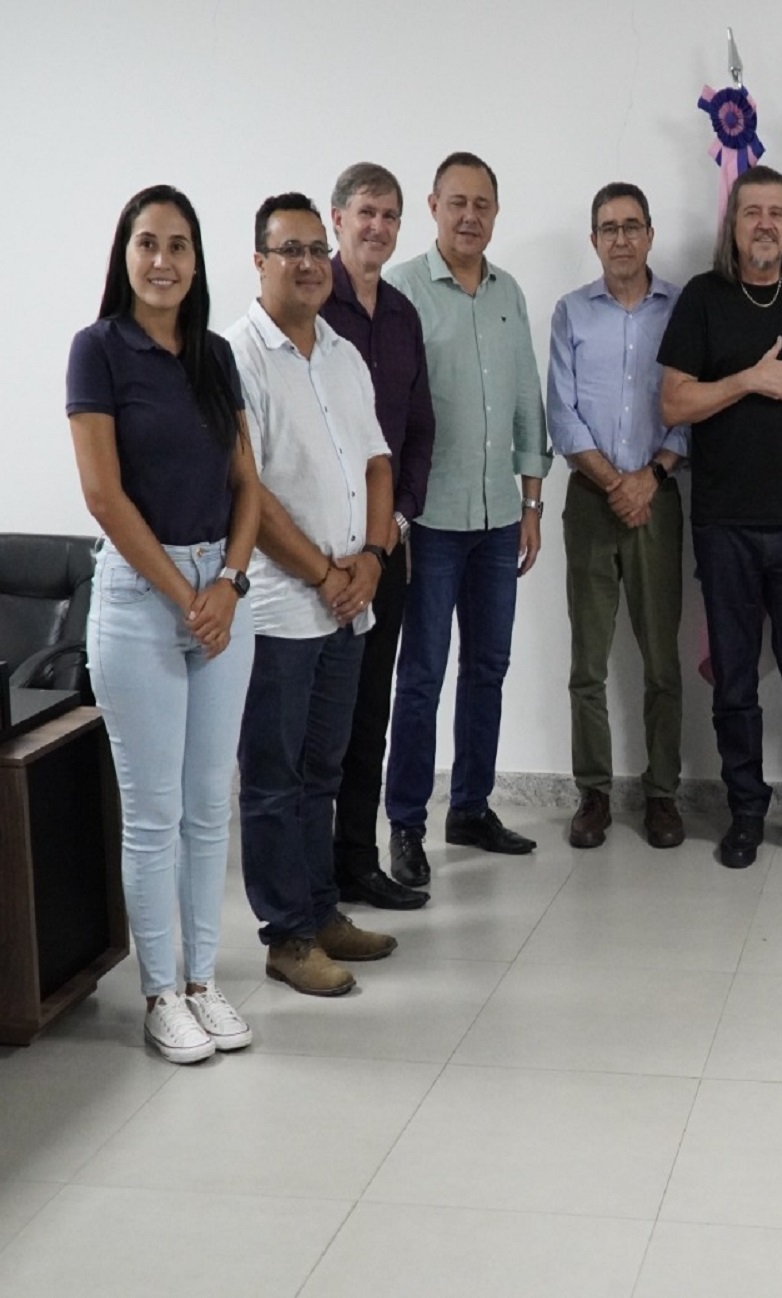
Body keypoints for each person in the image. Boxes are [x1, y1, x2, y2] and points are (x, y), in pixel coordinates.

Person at [67, 184, 262, 1063]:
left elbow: (247, 484)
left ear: (196, 261)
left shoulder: (213, 355)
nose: (163, 260)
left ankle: (203, 981)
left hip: (219, 591)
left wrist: (228, 582)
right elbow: (103, 496)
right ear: (125, 254)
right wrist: (187, 594)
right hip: (141, 600)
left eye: (179, 245)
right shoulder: (97, 350)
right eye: (148, 243)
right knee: (153, 815)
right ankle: (159, 994)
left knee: (209, 807)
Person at [228, 192, 401, 996]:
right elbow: (249, 494)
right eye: (288, 250)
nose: (307, 264)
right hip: (280, 608)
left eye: (314, 250)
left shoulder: (341, 353)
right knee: (275, 778)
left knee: (324, 768)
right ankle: (288, 938)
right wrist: (326, 574)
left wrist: (372, 557)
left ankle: (322, 910)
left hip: (348, 600)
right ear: (258, 261)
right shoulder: (238, 358)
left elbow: (376, 462)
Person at [657, 165, 782, 873]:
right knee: (736, 685)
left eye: (776, 212)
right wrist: (747, 380)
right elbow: (673, 403)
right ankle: (745, 814)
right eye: (751, 212)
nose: (765, 223)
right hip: (726, 527)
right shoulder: (703, 298)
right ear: (732, 226)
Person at [383, 152, 553, 888]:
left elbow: (526, 403)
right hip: (428, 521)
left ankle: (471, 808)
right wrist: (390, 517)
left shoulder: (509, 292)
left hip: (498, 517)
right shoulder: (403, 291)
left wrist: (532, 503)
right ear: (432, 206)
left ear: (495, 212)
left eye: (483, 204)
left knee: (488, 667)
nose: (470, 216)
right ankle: (405, 824)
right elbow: (388, 412)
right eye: (457, 202)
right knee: (421, 677)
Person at [547, 182, 688, 851]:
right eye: (609, 228)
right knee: (588, 663)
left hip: (659, 496)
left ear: (650, 235)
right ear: (594, 240)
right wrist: (615, 484)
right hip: (590, 501)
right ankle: (594, 794)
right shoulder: (571, 313)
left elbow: (690, 407)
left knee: (662, 662)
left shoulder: (681, 310)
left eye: (633, 226)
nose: (622, 238)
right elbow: (562, 413)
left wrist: (647, 479)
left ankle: (662, 794)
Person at [321, 162, 435, 911]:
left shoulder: (401, 315)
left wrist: (393, 525)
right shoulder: (309, 303)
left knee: (370, 711)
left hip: (384, 548)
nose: (379, 227)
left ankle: (357, 863)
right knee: (317, 721)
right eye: (366, 212)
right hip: (320, 555)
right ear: (337, 219)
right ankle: (309, 874)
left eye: (390, 215)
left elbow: (418, 431)